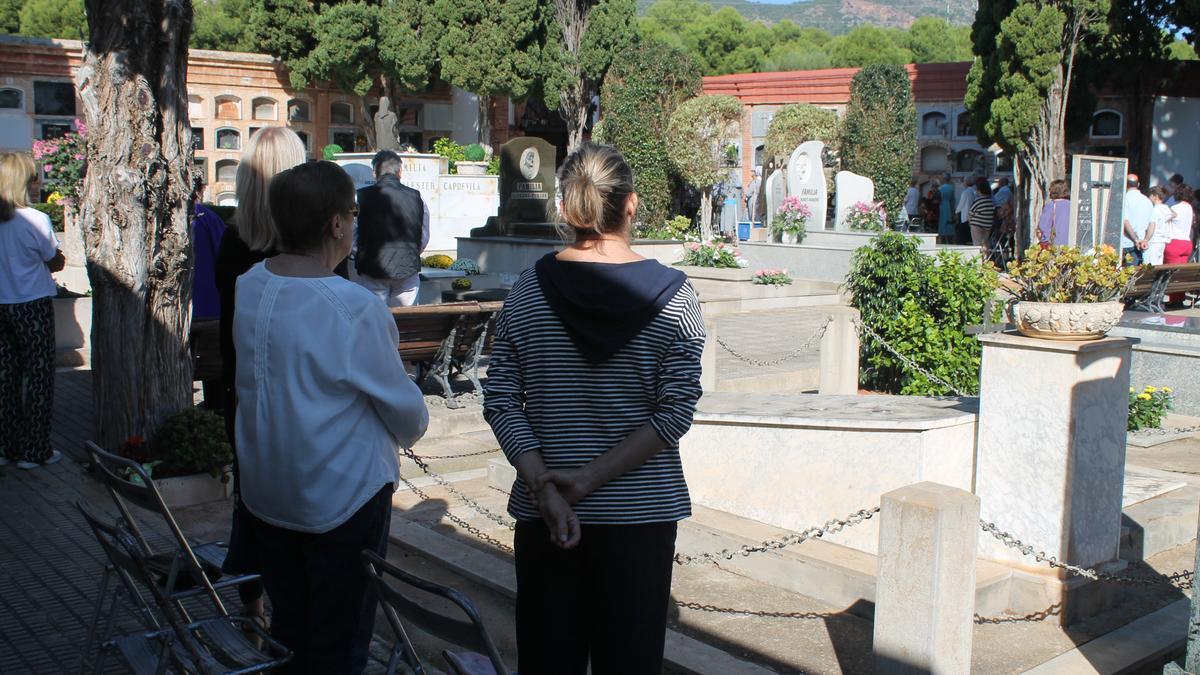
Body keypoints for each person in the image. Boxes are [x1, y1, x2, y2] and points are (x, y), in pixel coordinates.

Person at [484, 143, 705, 675]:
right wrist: (587, 480)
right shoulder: (677, 299)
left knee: (548, 661)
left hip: (546, 510)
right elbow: (674, 413)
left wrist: (546, 485)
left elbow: (500, 398)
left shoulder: (528, 290)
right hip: (641, 515)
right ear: (631, 205)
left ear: (566, 210)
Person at [234, 160, 428, 672]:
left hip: (268, 488)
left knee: (291, 625)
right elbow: (407, 414)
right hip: (340, 496)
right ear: (338, 225)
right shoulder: (353, 307)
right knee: (339, 639)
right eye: (352, 214)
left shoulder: (250, 284)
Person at [214, 126, 307, 630]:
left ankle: (253, 605)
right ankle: (289, 607)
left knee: (249, 498)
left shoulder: (232, 243)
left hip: (242, 388)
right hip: (296, 395)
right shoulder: (301, 253)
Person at [0, 152, 65, 470]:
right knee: (38, 377)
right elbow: (54, 259)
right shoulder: (35, 220)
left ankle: (6, 446)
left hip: (1, 304)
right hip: (31, 304)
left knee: (5, 378)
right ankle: (34, 450)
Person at [354, 150, 430, 307]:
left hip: (371, 268)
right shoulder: (418, 198)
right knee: (405, 323)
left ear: (374, 173)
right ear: (400, 171)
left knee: (374, 319)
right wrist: (410, 253)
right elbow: (423, 236)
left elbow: (352, 233)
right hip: (407, 269)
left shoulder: (359, 197)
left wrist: (360, 252)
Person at [1164, 184, 1196, 305]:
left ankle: (1174, 299)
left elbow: (1163, 218)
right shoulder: (1190, 208)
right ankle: (1179, 297)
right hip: (1186, 242)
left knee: (1172, 274)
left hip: (1174, 243)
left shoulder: (1176, 208)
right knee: (1180, 274)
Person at [1120, 174, 1154, 266]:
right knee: (1133, 275)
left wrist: (1136, 240)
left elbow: (1125, 222)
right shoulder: (1147, 201)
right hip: (1141, 244)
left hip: (1126, 243)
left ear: (1125, 184)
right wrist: (1145, 240)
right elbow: (1152, 224)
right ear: (1138, 184)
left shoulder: (1124, 199)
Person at [1037, 179, 1072, 247]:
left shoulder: (1051, 205)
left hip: (1055, 244)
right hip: (1071, 244)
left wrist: (1044, 239)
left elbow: (1043, 226)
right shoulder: (1072, 205)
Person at [1147, 186, 1172, 266]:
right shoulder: (1166, 209)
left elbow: (1152, 225)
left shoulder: (1155, 210)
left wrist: (1146, 239)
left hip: (1154, 241)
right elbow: (1173, 215)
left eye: (1150, 195)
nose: (1149, 197)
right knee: (1159, 264)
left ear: (1156, 196)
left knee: (1151, 265)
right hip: (1163, 241)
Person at [969, 181, 996, 252]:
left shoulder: (978, 200)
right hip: (987, 225)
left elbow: (971, 212)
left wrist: (970, 222)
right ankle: (986, 260)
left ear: (979, 190)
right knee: (985, 244)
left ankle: (979, 261)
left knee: (977, 245)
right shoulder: (991, 201)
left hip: (977, 225)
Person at [956, 177, 980, 245]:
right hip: (973, 215)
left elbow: (961, 204)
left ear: (967, 182)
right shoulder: (974, 191)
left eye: (964, 181)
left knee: (963, 235)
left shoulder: (965, 192)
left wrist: (956, 211)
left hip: (965, 216)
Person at [937, 175, 956, 244]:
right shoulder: (951, 188)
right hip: (949, 206)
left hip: (941, 206)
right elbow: (953, 200)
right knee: (949, 222)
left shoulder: (940, 188)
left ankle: (942, 239)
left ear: (943, 179)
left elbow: (937, 199)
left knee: (942, 222)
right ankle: (950, 239)